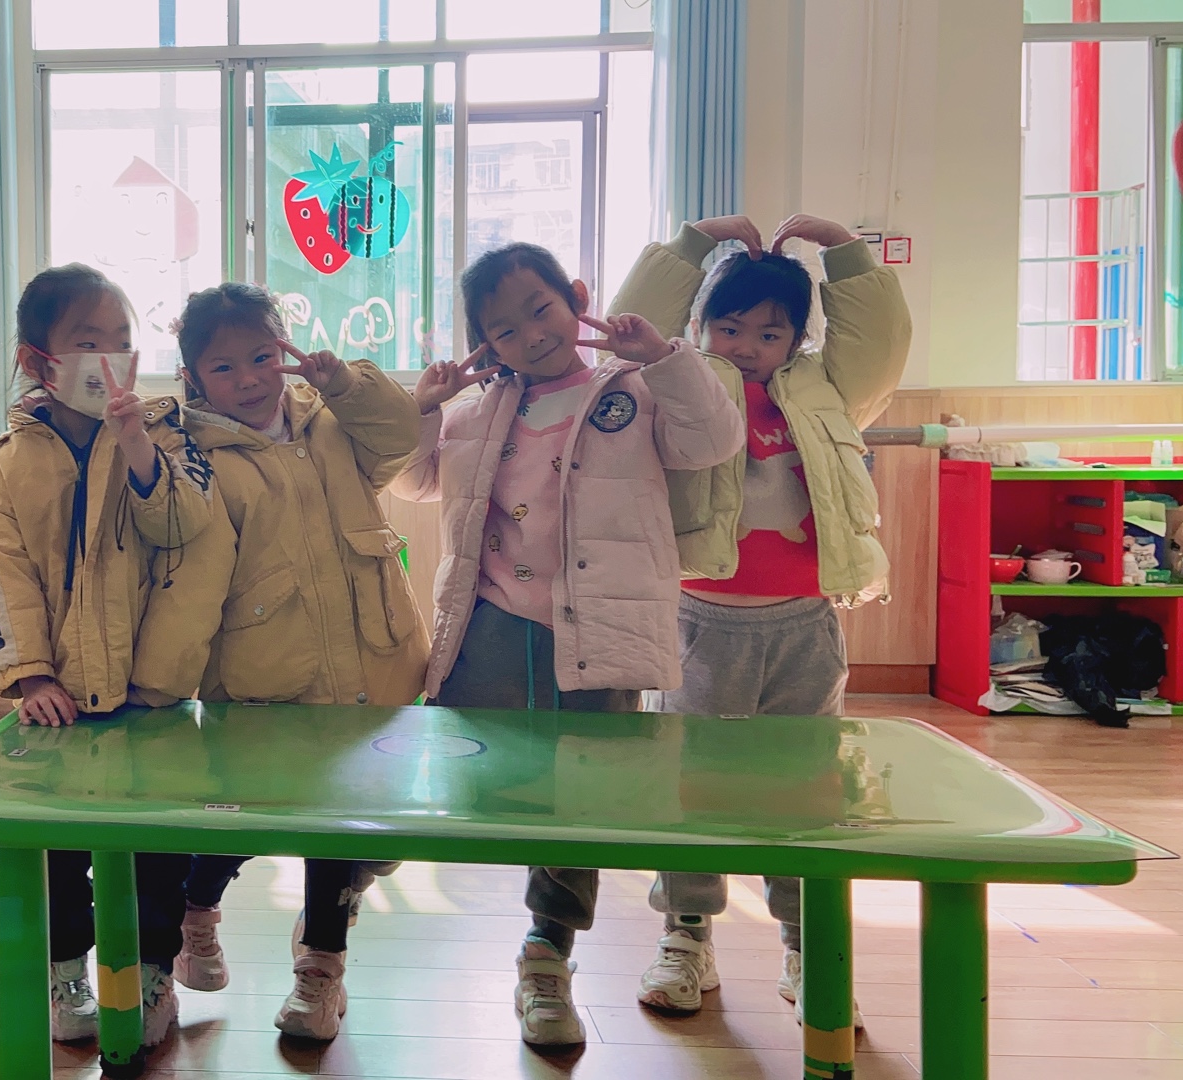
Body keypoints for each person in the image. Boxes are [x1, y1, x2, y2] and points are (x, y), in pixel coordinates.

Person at [390, 241, 744, 1048]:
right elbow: (414, 480)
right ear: (486, 345)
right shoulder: (477, 411)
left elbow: (713, 441)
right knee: (449, 775)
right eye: (504, 330)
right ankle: (351, 884)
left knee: (581, 800)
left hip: (602, 631)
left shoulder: (633, 390)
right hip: (488, 627)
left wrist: (664, 358)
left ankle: (547, 955)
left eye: (541, 309)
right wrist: (425, 406)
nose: (531, 335)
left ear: (577, 297)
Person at [608, 214, 910, 1024]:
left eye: (769, 333)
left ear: (797, 339)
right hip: (699, 621)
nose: (746, 346)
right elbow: (626, 334)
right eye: (729, 327)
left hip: (803, 625)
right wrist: (688, 247)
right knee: (688, 785)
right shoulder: (678, 383)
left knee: (805, 789)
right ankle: (686, 936)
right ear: (701, 326)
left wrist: (845, 251)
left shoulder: (825, 389)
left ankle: (809, 946)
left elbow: (880, 345)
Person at [131, 281, 428, 1041]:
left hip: (366, 663)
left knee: (341, 833)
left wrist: (345, 382)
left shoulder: (331, 418)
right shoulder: (191, 450)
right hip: (263, 675)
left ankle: (321, 970)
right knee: (237, 817)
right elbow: (183, 563)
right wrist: (160, 685)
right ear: (193, 376)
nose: (250, 379)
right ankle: (197, 910)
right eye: (224, 367)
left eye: (263, 357)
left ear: (285, 350)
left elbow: (401, 439)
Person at [0, 262, 215, 1047]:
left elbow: (184, 524)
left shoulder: (164, 432)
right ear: (38, 359)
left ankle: (151, 974)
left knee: (158, 842)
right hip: (61, 698)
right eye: (87, 340)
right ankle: (64, 970)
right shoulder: (9, 461)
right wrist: (30, 675)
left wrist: (135, 441)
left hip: (153, 686)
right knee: (57, 844)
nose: (108, 357)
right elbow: (3, 574)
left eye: (121, 340)